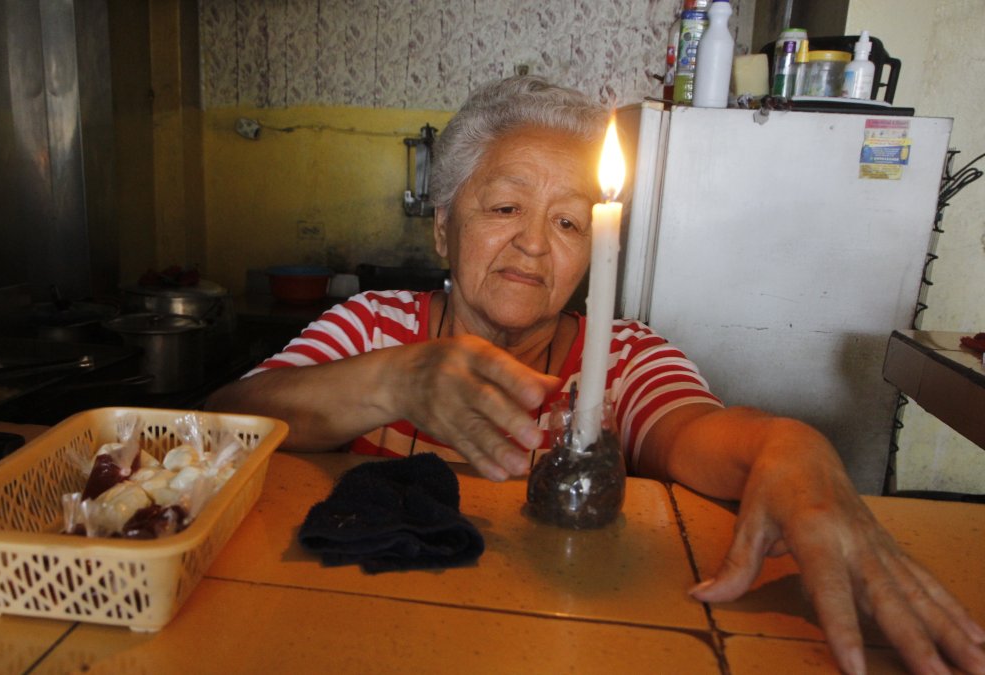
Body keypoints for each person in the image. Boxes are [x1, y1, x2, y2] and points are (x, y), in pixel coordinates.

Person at [206, 76, 985, 675]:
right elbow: (228, 416)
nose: (535, 246)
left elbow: (699, 432)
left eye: (570, 221)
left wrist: (794, 451)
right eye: (505, 207)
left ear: (593, 253)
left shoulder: (624, 360)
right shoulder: (374, 326)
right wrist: (396, 382)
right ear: (445, 228)